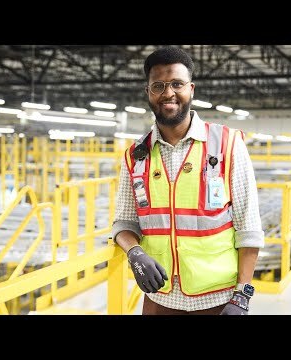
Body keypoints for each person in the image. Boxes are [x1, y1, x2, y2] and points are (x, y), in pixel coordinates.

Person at [112, 46, 264, 315]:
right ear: (148, 92)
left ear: (191, 89)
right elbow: (124, 222)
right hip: (160, 297)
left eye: (177, 84)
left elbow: (248, 225)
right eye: (158, 85)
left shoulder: (227, 144)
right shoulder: (136, 155)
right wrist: (134, 252)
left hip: (217, 299)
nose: (168, 93)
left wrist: (242, 295)